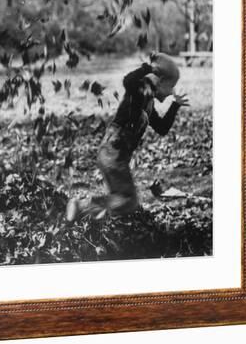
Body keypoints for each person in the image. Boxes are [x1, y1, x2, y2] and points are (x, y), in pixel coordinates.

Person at [66, 52, 189, 221]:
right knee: (129, 201)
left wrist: (175, 105)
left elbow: (161, 128)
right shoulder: (139, 94)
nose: (172, 91)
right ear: (159, 81)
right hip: (113, 154)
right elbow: (128, 81)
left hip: (114, 156)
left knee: (121, 199)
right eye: (171, 86)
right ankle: (82, 206)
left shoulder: (148, 105)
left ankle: (93, 216)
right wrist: (148, 68)